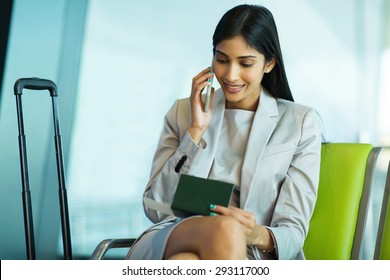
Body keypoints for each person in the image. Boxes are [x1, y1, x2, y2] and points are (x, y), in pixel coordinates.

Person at [127, 4, 321, 260]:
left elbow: (293, 232)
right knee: (215, 236)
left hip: (249, 250)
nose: (230, 75)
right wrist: (195, 132)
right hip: (174, 234)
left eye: (245, 63)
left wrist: (251, 233)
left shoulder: (299, 123)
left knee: (186, 262)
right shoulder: (183, 113)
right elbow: (156, 206)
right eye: (221, 60)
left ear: (269, 64)